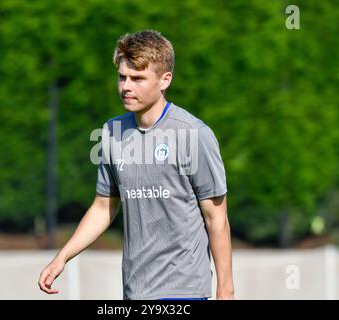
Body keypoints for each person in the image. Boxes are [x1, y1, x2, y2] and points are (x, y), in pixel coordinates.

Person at [38, 30, 235, 300]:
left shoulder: (194, 134)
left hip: (183, 289)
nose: (126, 87)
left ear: (165, 80)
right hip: (135, 290)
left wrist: (225, 289)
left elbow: (217, 218)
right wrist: (62, 257)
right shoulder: (111, 132)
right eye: (122, 77)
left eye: (138, 78)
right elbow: (103, 206)